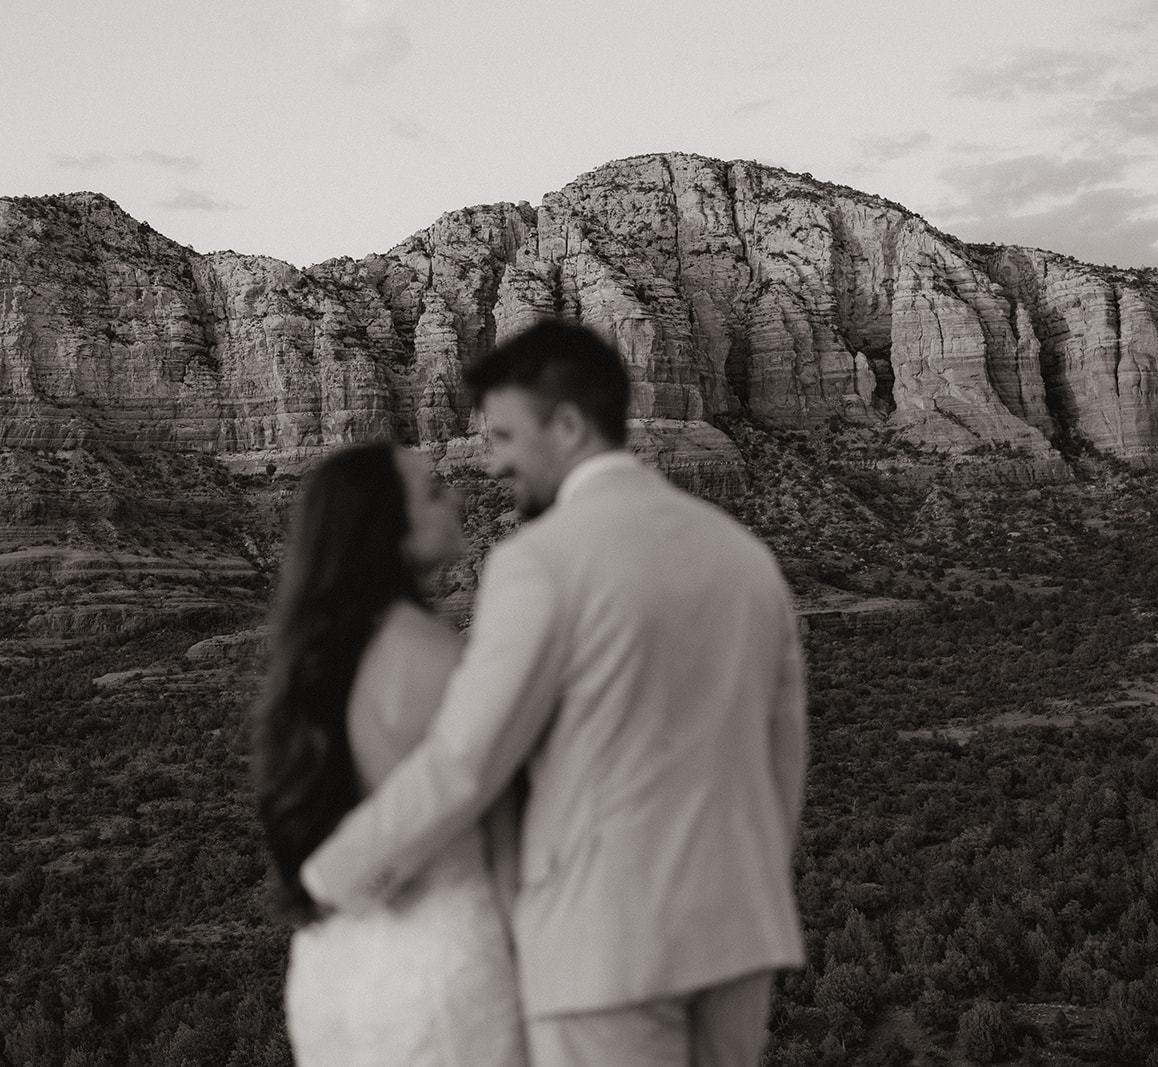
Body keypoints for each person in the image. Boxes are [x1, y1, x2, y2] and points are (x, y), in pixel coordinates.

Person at [301, 319, 808, 1067]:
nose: (494, 461)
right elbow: (784, 753)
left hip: (603, 946)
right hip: (740, 934)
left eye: (505, 436)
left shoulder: (539, 560)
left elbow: (467, 759)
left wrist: (334, 874)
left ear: (568, 425)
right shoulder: (745, 556)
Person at [253, 442, 528, 1067]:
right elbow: (510, 847)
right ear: (387, 532)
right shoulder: (435, 658)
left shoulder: (318, 663)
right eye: (432, 492)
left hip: (335, 971)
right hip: (444, 973)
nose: (456, 495)